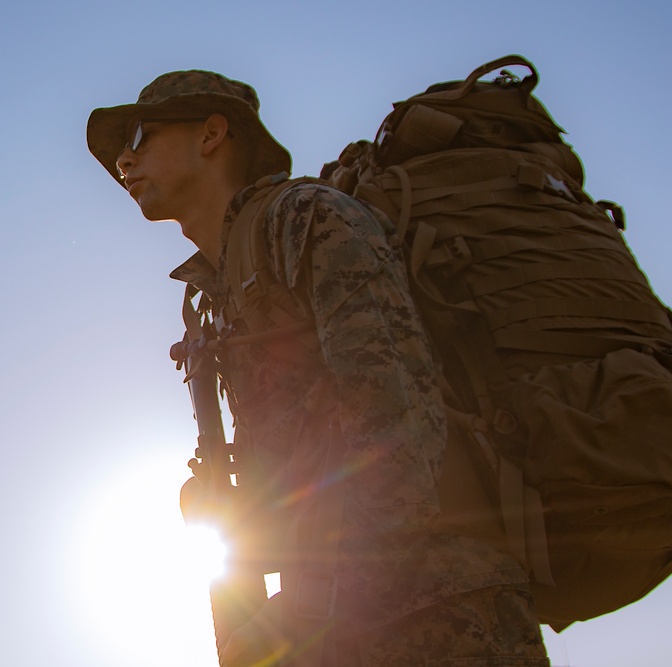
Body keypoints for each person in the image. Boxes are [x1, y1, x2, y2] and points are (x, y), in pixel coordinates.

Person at [87, 70, 549, 666]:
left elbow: (397, 421)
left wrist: (315, 615)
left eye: (141, 135)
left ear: (211, 134)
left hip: (437, 613)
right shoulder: (220, 289)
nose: (124, 159)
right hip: (346, 617)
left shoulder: (306, 219)